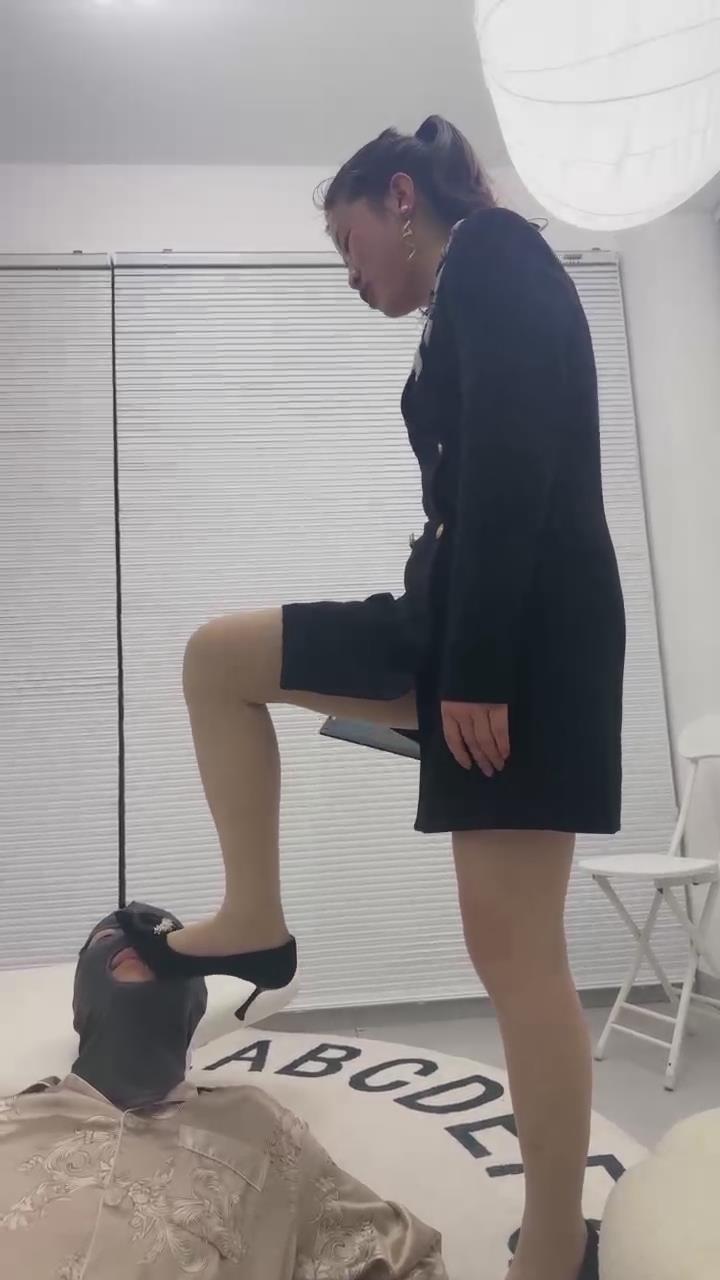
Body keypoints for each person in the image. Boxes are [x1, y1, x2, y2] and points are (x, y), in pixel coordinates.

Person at [116, 116, 625, 1280]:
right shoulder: (462, 293)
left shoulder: (495, 249)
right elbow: (474, 487)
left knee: (515, 953)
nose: (347, 272)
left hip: (522, 646)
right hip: (444, 625)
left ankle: (556, 1249)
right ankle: (254, 917)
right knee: (218, 660)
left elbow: (514, 457)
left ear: (402, 197)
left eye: (348, 241)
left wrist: (479, 667)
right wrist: (446, 641)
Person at [0, 903, 446, 1280]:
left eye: (165, 943)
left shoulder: (262, 1131)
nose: (132, 937)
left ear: (195, 1004)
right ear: (78, 1005)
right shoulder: (10, 1118)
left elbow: (403, 1258)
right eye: (106, 939)